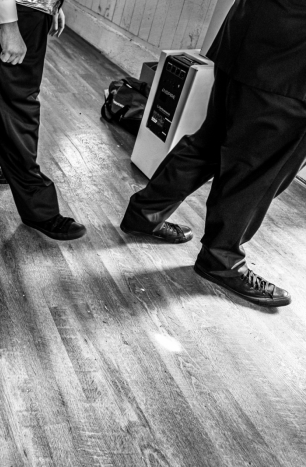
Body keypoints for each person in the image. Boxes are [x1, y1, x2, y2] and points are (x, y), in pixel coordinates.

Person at [120, 0, 306, 307]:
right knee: (260, 172)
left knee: (209, 142)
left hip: (248, 37)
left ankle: (145, 212)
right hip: (291, 66)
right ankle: (221, 259)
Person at [0, 0, 86, 241]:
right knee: (16, 101)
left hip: (19, 9)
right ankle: (39, 209)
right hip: (10, 11)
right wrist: (7, 23)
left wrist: (52, 6)